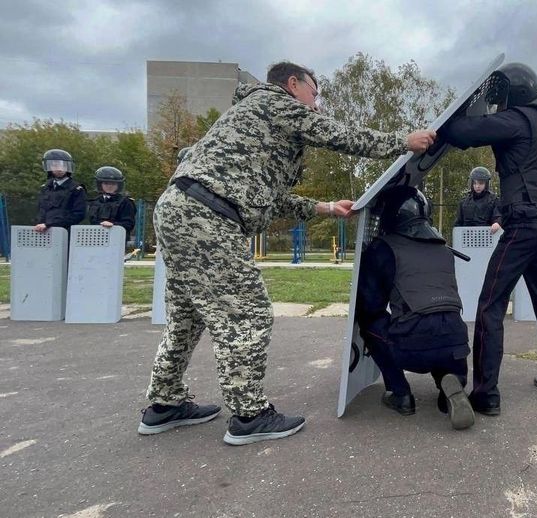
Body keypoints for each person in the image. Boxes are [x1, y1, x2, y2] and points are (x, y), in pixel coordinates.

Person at [138, 60, 436, 445]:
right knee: (248, 312)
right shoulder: (272, 102)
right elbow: (335, 134)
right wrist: (401, 141)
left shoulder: (252, 121)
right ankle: (249, 416)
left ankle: (164, 404)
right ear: (293, 84)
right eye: (314, 93)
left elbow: (265, 199)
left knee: (186, 317)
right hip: (206, 217)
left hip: (180, 210)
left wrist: (324, 208)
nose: (316, 103)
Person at [441, 61, 537, 416]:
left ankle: (486, 394)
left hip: (521, 226)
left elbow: (461, 133)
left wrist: (465, 109)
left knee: (490, 306)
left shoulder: (518, 120)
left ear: (514, 93)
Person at [356, 186, 474, 430]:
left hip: (412, 348)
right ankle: (449, 383)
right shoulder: (444, 250)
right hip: (456, 344)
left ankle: (400, 394)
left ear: (391, 216)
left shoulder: (383, 248)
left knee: (370, 322)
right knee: (437, 324)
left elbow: (370, 305)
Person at [34, 149, 86, 233]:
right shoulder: (45, 188)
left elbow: (78, 215)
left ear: (68, 167)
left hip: (66, 232)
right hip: (44, 232)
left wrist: (50, 224)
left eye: (63, 165)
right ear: (49, 167)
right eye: (55, 165)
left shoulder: (76, 189)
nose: (59, 169)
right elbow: (41, 211)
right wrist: (40, 224)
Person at [87, 166, 137, 237]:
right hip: (95, 238)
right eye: (106, 183)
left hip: (117, 238)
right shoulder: (95, 202)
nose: (110, 186)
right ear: (100, 184)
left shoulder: (125, 202)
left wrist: (113, 225)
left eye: (113, 184)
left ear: (119, 185)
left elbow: (129, 224)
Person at [454, 166, 502, 234]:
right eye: (475, 183)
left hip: (487, 237)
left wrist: (497, 223)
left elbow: (498, 216)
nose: (477, 186)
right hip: (466, 238)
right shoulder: (464, 201)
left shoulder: (493, 200)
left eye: (481, 183)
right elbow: (458, 223)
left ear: (486, 184)